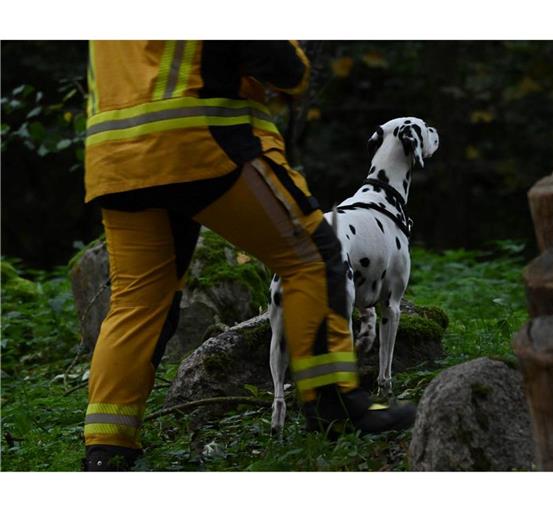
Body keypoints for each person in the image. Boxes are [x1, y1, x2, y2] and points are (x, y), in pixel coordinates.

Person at [82, 40, 416, 471]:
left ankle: (107, 451)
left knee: (138, 303)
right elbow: (280, 63)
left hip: (114, 157)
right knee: (313, 255)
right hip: (198, 142)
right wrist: (295, 68)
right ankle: (333, 407)